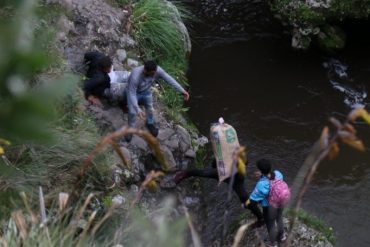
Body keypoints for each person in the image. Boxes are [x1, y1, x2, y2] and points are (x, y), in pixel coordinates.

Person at [125, 61, 190, 142]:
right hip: (134, 92)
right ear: (145, 70)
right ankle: (131, 129)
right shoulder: (136, 75)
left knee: (150, 108)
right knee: (132, 111)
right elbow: (132, 93)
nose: (155, 74)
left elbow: (169, 79)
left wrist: (182, 91)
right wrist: (137, 108)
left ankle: (150, 123)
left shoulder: (157, 70)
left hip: (146, 91)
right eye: (152, 73)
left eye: (155, 72)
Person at [246, 159, 287, 247]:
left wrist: (245, 204)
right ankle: (282, 236)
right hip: (281, 203)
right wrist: (262, 175)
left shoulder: (261, 185)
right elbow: (272, 178)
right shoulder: (278, 173)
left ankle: (273, 244)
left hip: (269, 208)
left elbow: (252, 200)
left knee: (270, 224)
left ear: (261, 171)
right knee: (279, 218)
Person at [171, 159, 249, 205]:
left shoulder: (240, 173)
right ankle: (184, 174)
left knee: (244, 197)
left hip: (234, 180)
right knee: (202, 173)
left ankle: (258, 216)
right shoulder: (227, 162)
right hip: (222, 173)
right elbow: (214, 164)